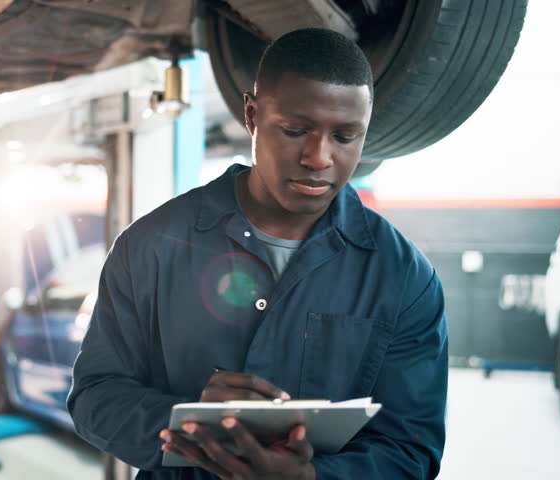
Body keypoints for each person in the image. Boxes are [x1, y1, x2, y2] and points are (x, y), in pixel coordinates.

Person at [68, 27, 447, 480]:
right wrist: (186, 422)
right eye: (294, 130)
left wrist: (308, 479)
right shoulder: (150, 246)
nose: (318, 157)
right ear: (251, 114)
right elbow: (95, 397)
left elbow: (411, 449)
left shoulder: (403, 276)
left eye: (346, 136)